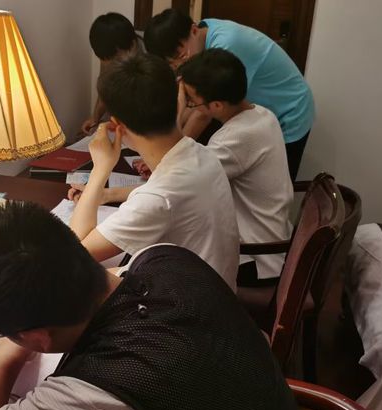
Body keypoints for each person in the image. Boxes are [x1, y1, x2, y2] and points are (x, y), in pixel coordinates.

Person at [0, 202, 303, 410]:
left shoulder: (92, 397)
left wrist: (11, 351)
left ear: (38, 336)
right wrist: (21, 331)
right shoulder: (164, 256)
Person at [68, 53, 239, 290]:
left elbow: (74, 254)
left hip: (191, 305)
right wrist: (106, 194)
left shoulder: (158, 197)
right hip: (214, 290)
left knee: (73, 283)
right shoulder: (202, 154)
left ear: (117, 125)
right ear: (177, 102)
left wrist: (101, 168)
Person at [144, 8, 315, 180]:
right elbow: (196, 103)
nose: (180, 65)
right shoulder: (203, 33)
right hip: (261, 113)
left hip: (291, 110)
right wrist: (164, 150)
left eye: (182, 56)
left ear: (194, 30)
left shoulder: (226, 45)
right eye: (172, 64)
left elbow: (201, 113)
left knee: (272, 176)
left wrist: (167, 158)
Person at [177, 48, 293, 280]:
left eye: (191, 100)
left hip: (256, 258)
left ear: (217, 106)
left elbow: (178, 184)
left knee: (167, 260)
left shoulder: (236, 137)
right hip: (275, 239)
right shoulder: (262, 114)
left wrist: (110, 195)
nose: (189, 104)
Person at [81, 12, 143, 135]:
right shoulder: (109, 54)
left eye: (115, 59)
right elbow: (105, 88)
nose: (111, 65)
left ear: (132, 46)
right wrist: (95, 119)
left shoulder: (152, 56)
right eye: (104, 60)